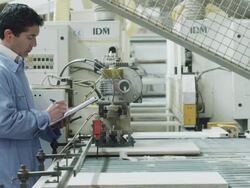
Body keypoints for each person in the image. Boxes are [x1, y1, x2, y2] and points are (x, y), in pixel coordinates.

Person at [0, 4, 68, 188]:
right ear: (9, 35)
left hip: (24, 172)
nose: (35, 44)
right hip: (9, 176)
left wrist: (51, 124)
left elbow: (24, 123)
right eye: (30, 37)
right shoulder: (1, 70)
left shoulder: (16, 67)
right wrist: (45, 116)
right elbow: (4, 123)